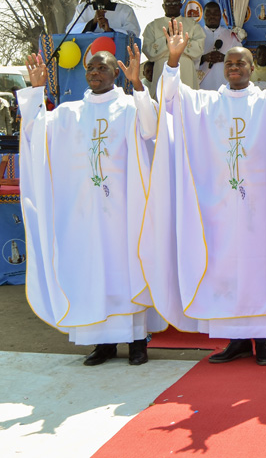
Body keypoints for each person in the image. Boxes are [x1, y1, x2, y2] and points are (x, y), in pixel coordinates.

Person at [139, 19, 266, 366]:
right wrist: (172, 60)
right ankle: (237, 341)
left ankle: (263, 339)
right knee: (224, 269)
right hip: (221, 211)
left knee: (261, 269)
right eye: (229, 63)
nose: (234, 67)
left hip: (262, 208)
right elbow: (171, 99)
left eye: (241, 62)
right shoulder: (206, 104)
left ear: (253, 68)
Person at [18, 44, 162, 366]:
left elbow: (151, 129)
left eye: (103, 69)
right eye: (91, 69)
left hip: (123, 212)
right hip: (84, 215)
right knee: (93, 272)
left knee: (125, 272)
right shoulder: (70, 113)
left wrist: (138, 84)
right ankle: (103, 343)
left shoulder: (128, 107)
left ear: (116, 74)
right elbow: (35, 133)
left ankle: (138, 341)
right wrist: (36, 91)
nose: (95, 74)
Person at [142, 0, 205, 98]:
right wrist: (166, 41)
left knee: (186, 103)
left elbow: (199, 49)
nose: (171, 6)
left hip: (185, 68)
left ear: (180, 5)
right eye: (168, 4)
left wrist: (181, 41)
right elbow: (148, 50)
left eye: (175, 3)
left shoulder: (192, 25)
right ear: (163, 6)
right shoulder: (153, 26)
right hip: (162, 66)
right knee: (162, 101)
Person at [65, 0, 141, 36]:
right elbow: (71, 31)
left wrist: (110, 31)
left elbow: (134, 32)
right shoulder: (83, 8)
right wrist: (93, 22)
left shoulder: (125, 10)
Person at [199, 1, 241, 91]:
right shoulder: (196, 35)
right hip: (201, 85)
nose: (212, 16)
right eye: (208, 13)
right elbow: (188, 60)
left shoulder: (230, 35)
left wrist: (225, 58)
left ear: (220, 16)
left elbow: (241, 58)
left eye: (215, 14)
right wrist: (203, 58)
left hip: (225, 84)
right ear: (203, 16)